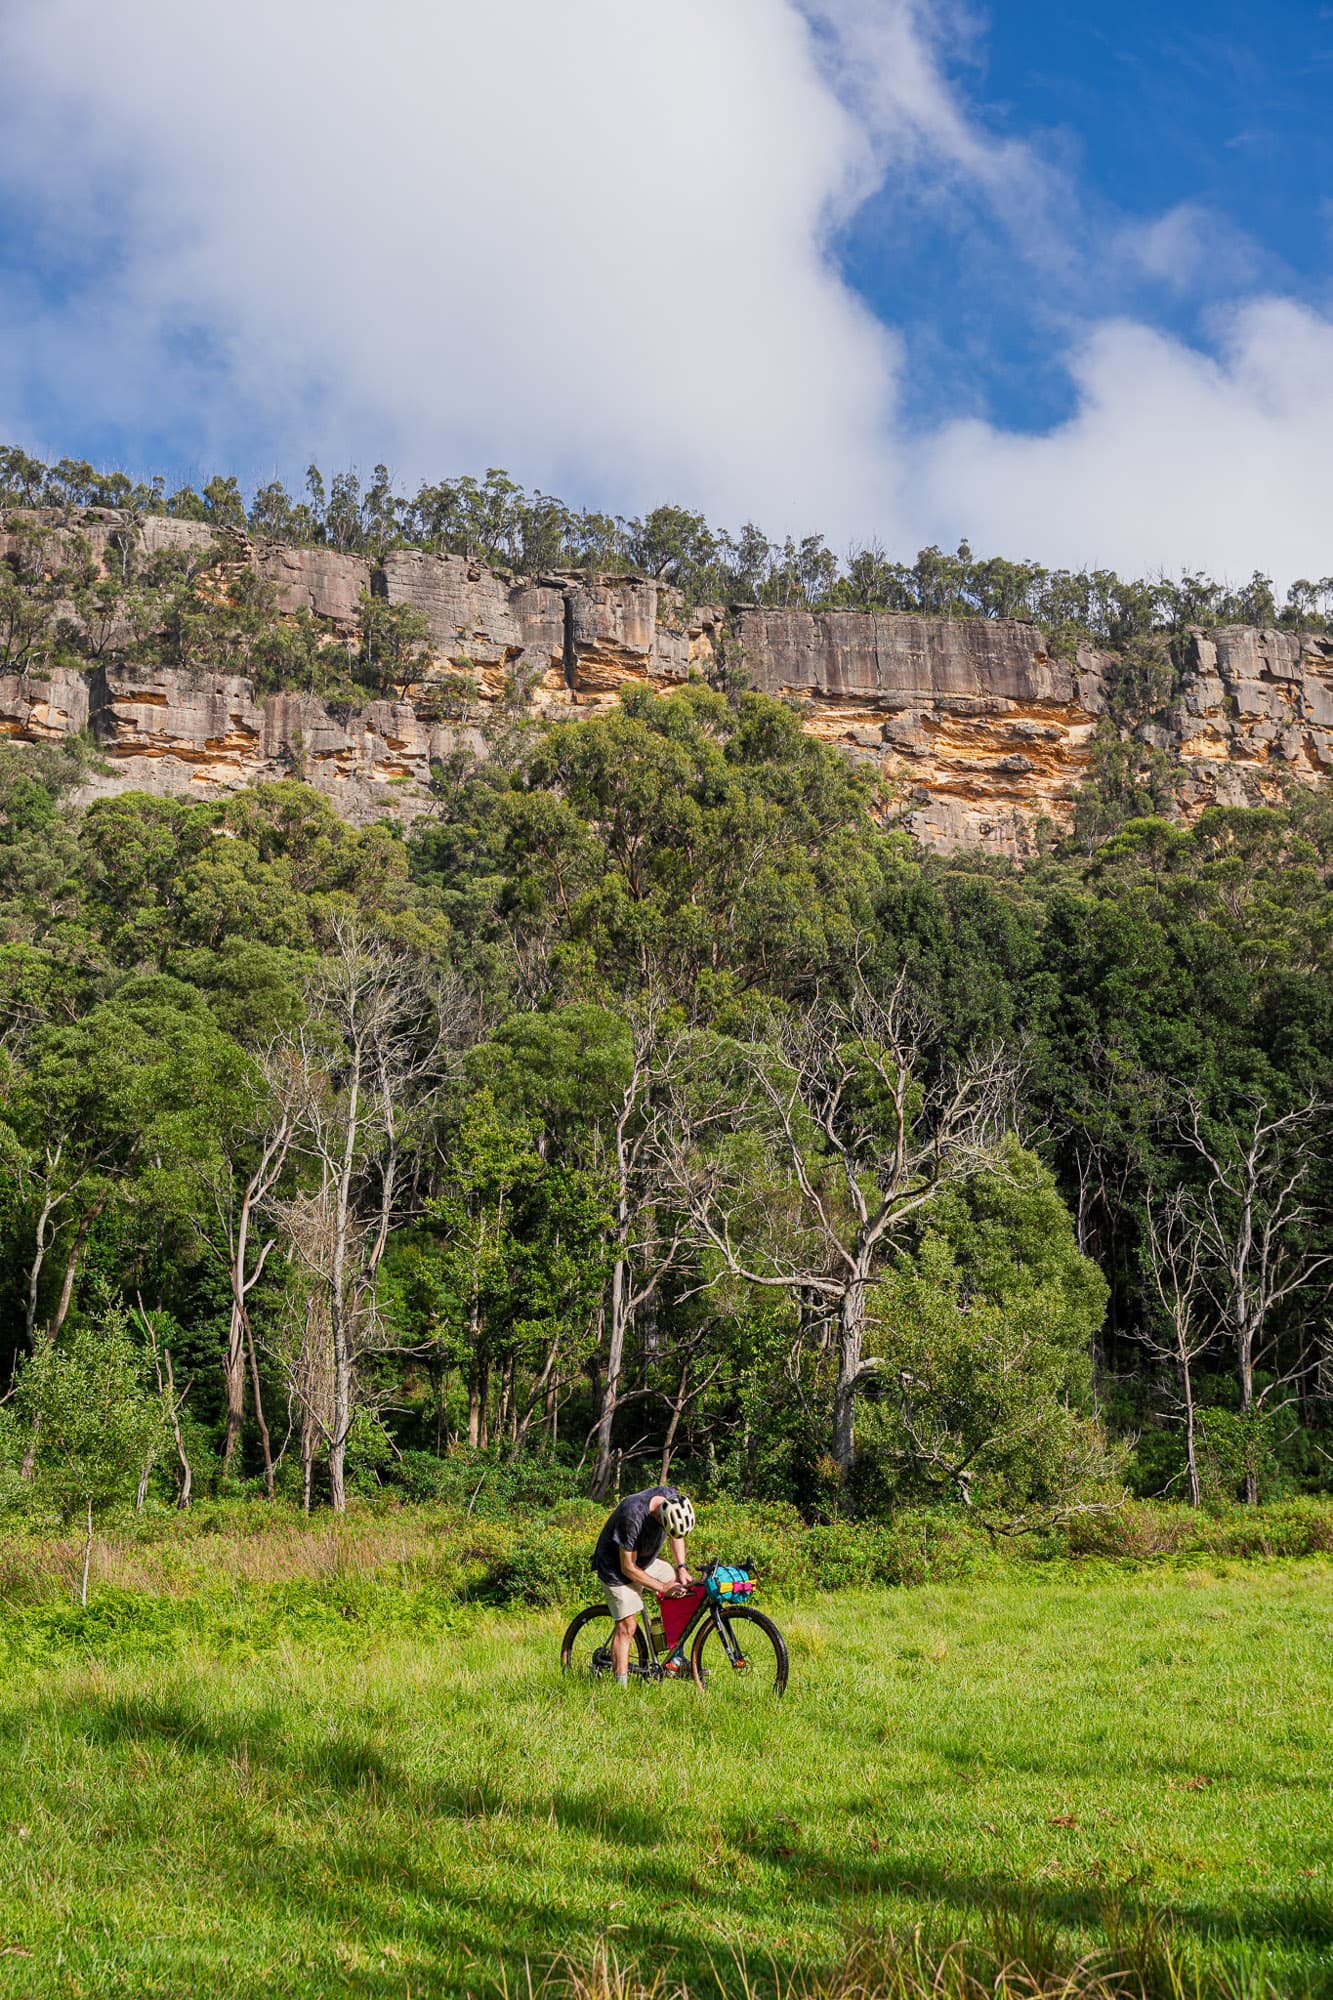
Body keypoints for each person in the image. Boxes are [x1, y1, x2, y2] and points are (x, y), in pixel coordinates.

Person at [592, 1485, 697, 1685]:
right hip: (616, 1568)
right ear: (659, 1517)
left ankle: (676, 1660)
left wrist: (681, 1567)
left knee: (683, 1590)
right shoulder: (633, 1515)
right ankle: (619, 1690)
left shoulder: (672, 1500)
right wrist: (663, 1587)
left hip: (645, 1562)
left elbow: (677, 1535)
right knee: (627, 1626)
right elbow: (628, 1568)